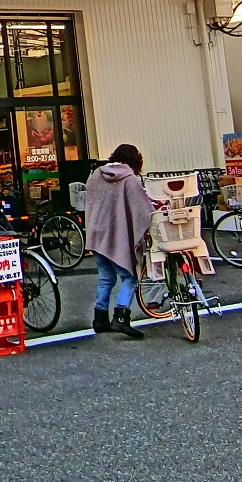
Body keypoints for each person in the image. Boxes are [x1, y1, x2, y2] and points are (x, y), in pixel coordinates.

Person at [83, 143, 153, 338]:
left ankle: (100, 319)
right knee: (130, 276)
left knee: (106, 277)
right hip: (116, 234)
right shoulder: (129, 179)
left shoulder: (96, 175)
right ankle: (121, 318)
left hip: (96, 233)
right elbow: (143, 208)